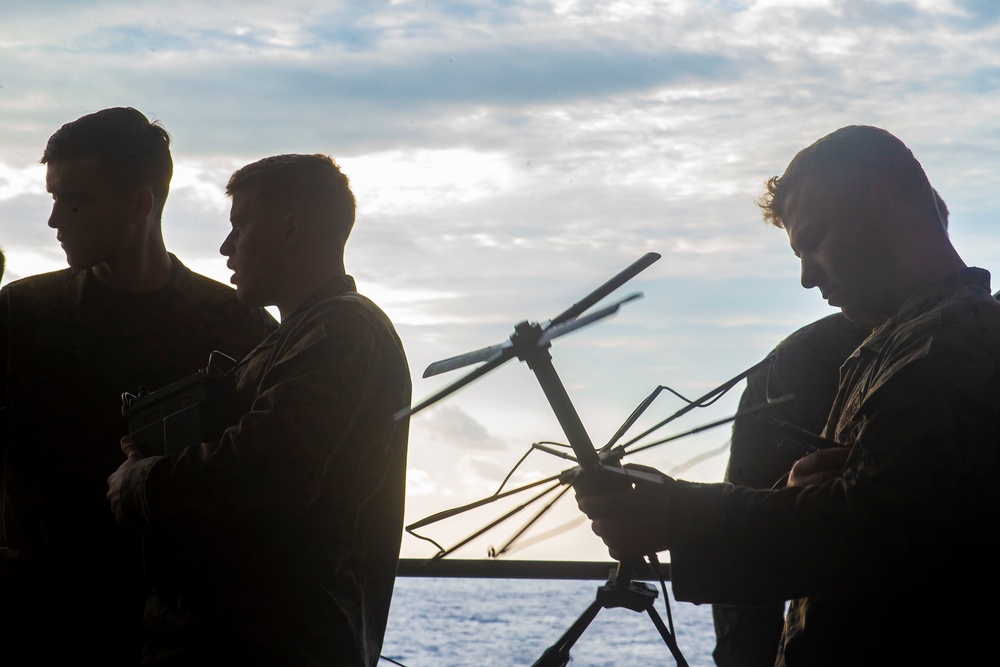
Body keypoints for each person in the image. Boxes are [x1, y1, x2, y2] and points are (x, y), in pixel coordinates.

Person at [578, 125, 1000, 665]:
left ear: (880, 204)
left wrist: (677, 516)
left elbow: (872, 531)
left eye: (815, 239)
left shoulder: (950, 345)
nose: (805, 278)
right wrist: (803, 493)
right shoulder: (899, 343)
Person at [106, 154, 412, 666]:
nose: (227, 247)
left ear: (293, 228)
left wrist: (141, 482)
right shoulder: (307, 336)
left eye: (240, 226)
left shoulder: (342, 333)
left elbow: (266, 470)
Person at [0, 107, 276, 664]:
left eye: (74, 200)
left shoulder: (239, 329)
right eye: (53, 199)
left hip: (177, 639)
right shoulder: (17, 316)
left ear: (139, 205)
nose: (55, 220)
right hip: (31, 625)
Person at [711, 187, 952, 666]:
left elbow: (743, 539)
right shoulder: (793, 364)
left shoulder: (793, 361)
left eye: (816, 242)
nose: (807, 277)